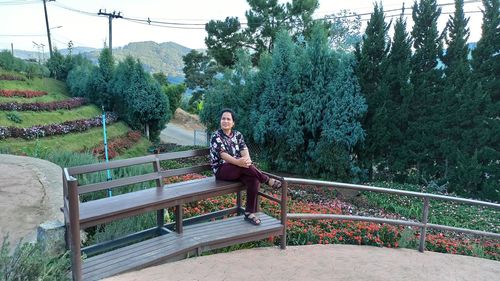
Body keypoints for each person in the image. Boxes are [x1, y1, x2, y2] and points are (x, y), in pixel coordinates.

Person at [209, 108, 282, 225]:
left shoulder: (238, 135)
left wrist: (246, 161)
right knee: (244, 167)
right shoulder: (216, 136)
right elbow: (223, 155)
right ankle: (267, 180)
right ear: (220, 121)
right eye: (223, 118)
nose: (225, 121)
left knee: (254, 180)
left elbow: (244, 150)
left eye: (228, 119)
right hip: (222, 170)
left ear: (233, 123)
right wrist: (239, 162)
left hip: (240, 168)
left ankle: (249, 213)